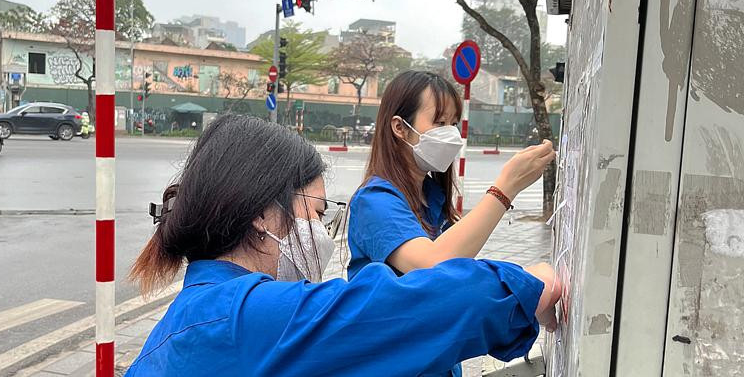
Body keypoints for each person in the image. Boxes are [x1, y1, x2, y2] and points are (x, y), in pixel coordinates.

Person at [125, 115, 561, 376]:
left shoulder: (197, 313)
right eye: (313, 212)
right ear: (260, 214)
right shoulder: (247, 316)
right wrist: (528, 285)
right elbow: (414, 306)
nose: (318, 230)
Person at [346, 71, 556, 376]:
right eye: (439, 122)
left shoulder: (431, 198)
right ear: (399, 128)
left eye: (454, 123)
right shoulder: (375, 201)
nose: (451, 134)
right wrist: (504, 189)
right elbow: (433, 266)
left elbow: (457, 271)